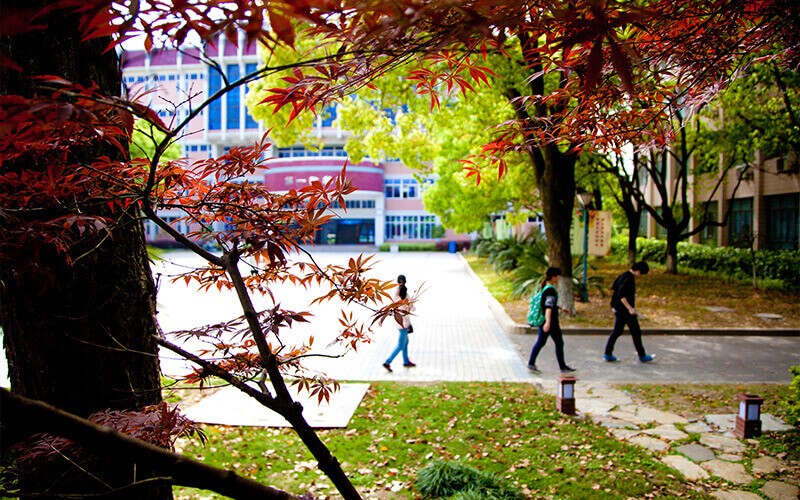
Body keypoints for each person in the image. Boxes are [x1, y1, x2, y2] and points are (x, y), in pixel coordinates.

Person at [604, 261, 655, 363]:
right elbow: (621, 294)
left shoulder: (623, 275)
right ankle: (642, 355)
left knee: (617, 331)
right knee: (636, 331)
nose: (641, 276)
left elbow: (614, 289)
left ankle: (608, 353)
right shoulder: (629, 279)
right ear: (638, 271)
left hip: (618, 308)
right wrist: (630, 308)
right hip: (625, 310)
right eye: (641, 274)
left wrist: (615, 304)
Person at [527, 267, 575, 373]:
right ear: (553, 276)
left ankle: (531, 362)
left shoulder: (546, 288)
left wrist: (560, 308)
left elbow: (549, 305)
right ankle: (562, 367)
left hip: (546, 321)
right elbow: (548, 307)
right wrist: (548, 323)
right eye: (558, 276)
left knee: (542, 342)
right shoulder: (550, 290)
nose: (558, 278)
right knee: (558, 343)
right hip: (551, 322)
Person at [383, 274, 416, 372]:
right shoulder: (405, 295)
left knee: (405, 342)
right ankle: (387, 362)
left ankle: (406, 361)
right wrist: (410, 304)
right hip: (403, 324)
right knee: (401, 344)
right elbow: (412, 309)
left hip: (398, 322)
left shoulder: (396, 295)